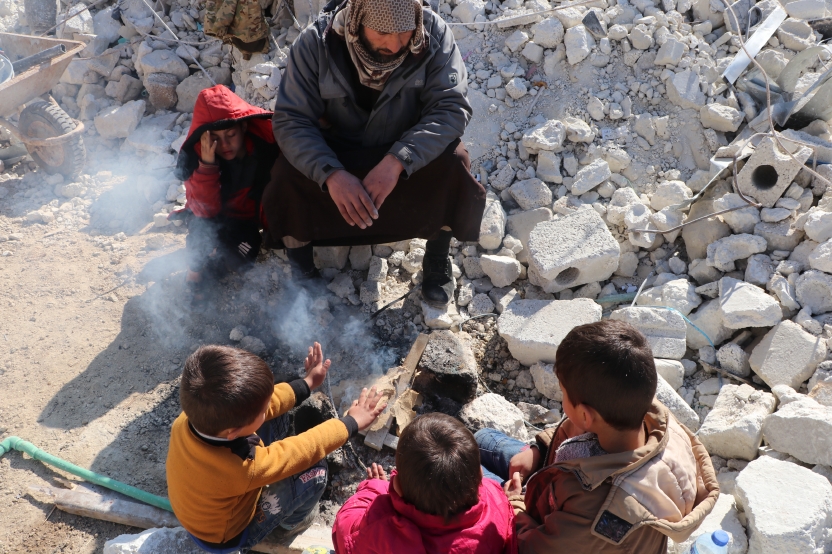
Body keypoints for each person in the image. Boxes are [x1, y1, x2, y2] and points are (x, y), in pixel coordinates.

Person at [262, 0, 486, 305]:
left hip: (402, 152)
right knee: (285, 174)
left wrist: (397, 160)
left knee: (454, 161)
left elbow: (450, 108)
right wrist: (331, 174)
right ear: (357, 20)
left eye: (404, 32)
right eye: (381, 31)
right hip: (338, 154)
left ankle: (436, 258)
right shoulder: (317, 43)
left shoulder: (433, 34)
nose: (394, 45)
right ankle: (302, 268)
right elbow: (291, 121)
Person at [475, 320, 720, 553]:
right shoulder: (643, 411)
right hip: (565, 484)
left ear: (584, 414)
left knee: (469, 477)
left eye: (563, 393)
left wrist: (513, 503)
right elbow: (575, 429)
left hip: (568, 530)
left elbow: (533, 548)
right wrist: (539, 449)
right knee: (481, 439)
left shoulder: (602, 518)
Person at [166, 342, 386, 553]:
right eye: (261, 411)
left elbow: (263, 404)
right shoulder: (244, 469)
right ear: (233, 433)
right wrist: (351, 423)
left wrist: (306, 383)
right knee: (316, 471)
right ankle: (288, 526)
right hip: (228, 535)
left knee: (275, 416)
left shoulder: (189, 419)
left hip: (208, 502)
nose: (267, 407)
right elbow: (303, 449)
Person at [333, 413, 517, 553]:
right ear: (480, 475)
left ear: (396, 486)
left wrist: (374, 487)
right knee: (484, 437)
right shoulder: (497, 501)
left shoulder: (380, 528)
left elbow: (344, 530)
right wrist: (512, 500)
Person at [172, 85, 278, 305]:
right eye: (216, 139)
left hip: (243, 221)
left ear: (244, 126)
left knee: (242, 260)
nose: (226, 145)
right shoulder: (197, 159)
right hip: (208, 218)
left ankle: (213, 259)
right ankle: (194, 274)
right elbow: (204, 209)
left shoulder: (262, 149)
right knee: (202, 231)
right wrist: (208, 166)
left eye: (231, 135)